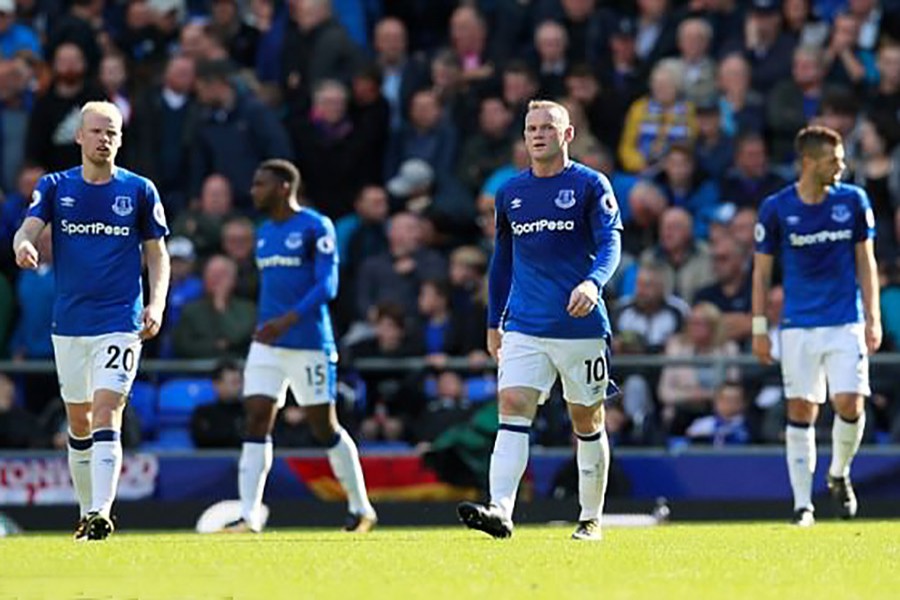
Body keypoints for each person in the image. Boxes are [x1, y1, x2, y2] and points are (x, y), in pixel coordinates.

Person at [457, 100, 622, 541]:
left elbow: (610, 244)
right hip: (524, 325)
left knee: (586, 420)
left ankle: (590, 519)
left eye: (547, 127)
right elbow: (502, 262)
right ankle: (501, 511)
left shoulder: (590, 185)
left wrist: (593, 283)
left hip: (579, 327)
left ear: (567, 135)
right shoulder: (510, 193)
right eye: (531, 128)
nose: (537, 134)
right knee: (511, 408)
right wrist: (494, 321)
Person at [12, 101, 170, 540]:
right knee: (78, 422)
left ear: (120, 139)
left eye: (113, 133)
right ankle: (87, 513)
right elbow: (28, 226)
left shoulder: (139, 190)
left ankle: (102, 511)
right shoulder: (56, 186)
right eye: (97, 131)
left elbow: (157, 255)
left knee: (107, 411)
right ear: (79, 136)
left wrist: (155, 305)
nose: (105, 139)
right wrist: (22, 245)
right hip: (70, 324)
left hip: (120, 319)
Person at [224, 159, 376, 534]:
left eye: (261, 184)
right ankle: (249, 514)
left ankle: (361, 507)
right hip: (267, 343)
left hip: (308, 344)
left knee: (323, 427)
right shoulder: (262, 232)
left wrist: (286, 321)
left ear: (283, 187)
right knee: (257, 416)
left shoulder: (315, 226)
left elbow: (328, 286)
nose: (253, 191)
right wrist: (268, 326)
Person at [752, 125, 881, 527]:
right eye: (833, 160)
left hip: (845, 320)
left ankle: (839, 473)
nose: (841, 166)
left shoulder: (854, 201)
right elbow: (761, 275)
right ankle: (803, 505)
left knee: (849, 402)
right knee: (802, 408)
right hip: (797, 326)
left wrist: (873, 316)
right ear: (809, 162)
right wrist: (759, 327)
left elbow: (866, 261)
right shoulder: (776, 208)